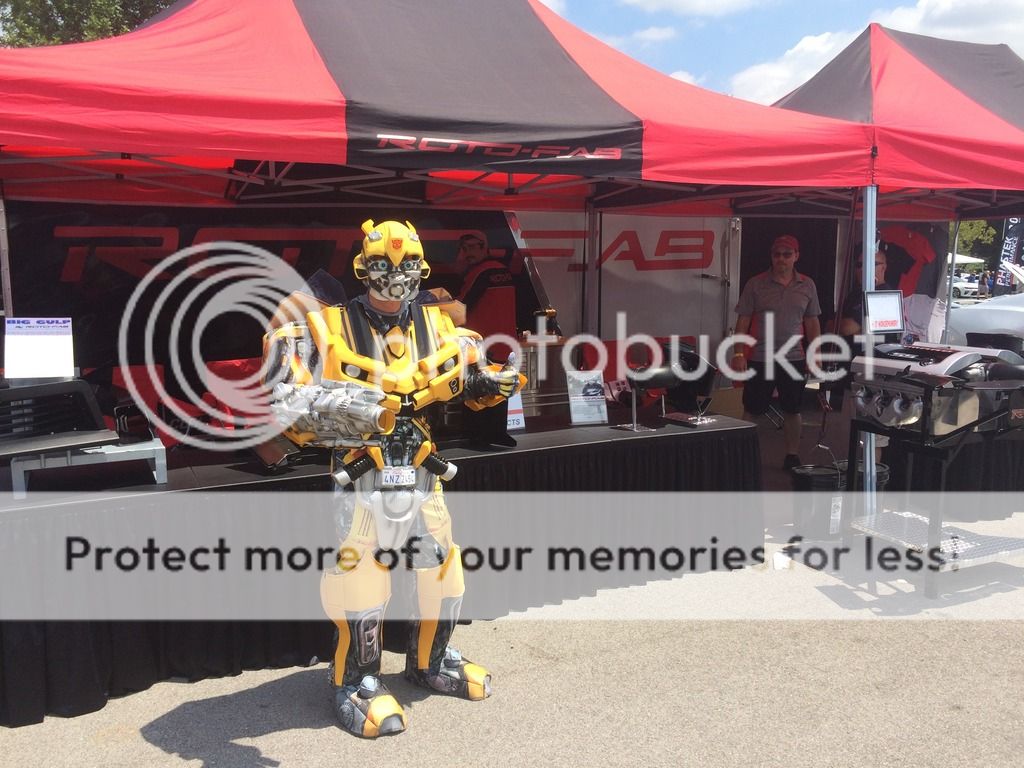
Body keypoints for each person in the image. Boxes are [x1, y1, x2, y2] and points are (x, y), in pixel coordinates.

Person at [263, 219, 523, 738]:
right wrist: (353, 408)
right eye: (383, 264)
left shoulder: (440, 326)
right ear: (363, 268)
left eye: (407, 265)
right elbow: (284, 405)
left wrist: (493, 383)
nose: (396, 275)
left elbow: (472, 386)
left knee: (442, 565)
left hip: (423, 466)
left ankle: (432, 660)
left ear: (422, 269)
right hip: (360, 469)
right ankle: (356, 680)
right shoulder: (325, 327)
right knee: (361, 572)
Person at [733, 234, 822, 471]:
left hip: (794, 358)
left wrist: (815, 353)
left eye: (786, 254)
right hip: (761, 357)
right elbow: (743, 321)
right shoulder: (755, 284)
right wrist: (738, 353)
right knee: (752, 409)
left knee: (793, 409)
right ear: (771, 256)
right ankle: (742, 456)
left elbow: (812, 322)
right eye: (776, 254)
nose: (781, 259)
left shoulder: (807, 285)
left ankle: (792, 455)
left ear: (796, 256)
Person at [453, 232, 517, 344]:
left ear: (484, 247)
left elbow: (460, 307)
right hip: (508, 343)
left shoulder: (480, 272)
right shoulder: (503, 270)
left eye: (472, 247)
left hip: (484, 344)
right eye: (464, 249)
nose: (468, 253)